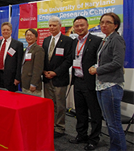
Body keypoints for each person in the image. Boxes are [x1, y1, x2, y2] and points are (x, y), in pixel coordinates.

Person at [89, 13, 127, 151]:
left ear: (115, 25)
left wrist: (97, 70)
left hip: (111, 85)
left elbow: (117, 62)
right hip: (102, 85)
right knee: (110, 122)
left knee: (113, 123)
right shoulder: (106, 39)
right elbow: (104, 61)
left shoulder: (116, 39)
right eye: (102, 22)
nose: (103, 25)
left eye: (108, 22)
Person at [69, 16, 102, 150]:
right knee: (80, 112)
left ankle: (93, 139)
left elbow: (100, 61)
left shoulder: (96, 40)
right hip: (77, 81)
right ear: (74, 27)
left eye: (82, 25)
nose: (79, 28)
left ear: (87, 25)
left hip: (91, 82)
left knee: (94, 113)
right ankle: (81, 135)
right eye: (77, 26)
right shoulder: (73, 42)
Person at [42, 16, 73, 138]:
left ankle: (60, 127)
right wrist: (44, 71)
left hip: (59, 78)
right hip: (46, 77)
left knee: (60, 105)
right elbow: (44, 58)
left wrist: (55, 72)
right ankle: (51, 125)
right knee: (50, 104)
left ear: (60, 26)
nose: (51, 27)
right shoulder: (45, 40)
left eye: (54, 25)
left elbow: (68, 60)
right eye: (50, 25)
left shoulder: (67, 41)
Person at [0, 22, 23, 92]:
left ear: (11, 31)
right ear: (1, 31)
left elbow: (19, 62)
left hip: (11, 78)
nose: (5, 31)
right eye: (4, 30)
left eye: (7, 30)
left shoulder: (18, 44)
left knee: (10, 99)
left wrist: (17, 77)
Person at [21, 28, 44, 96]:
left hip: (32, 85)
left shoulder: (38, 50)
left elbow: (38, 68)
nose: (29, 37)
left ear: (36, 37)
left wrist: (33, 83)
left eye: (31, 35)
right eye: (27, 35)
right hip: (25, 83)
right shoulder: (26, 49)